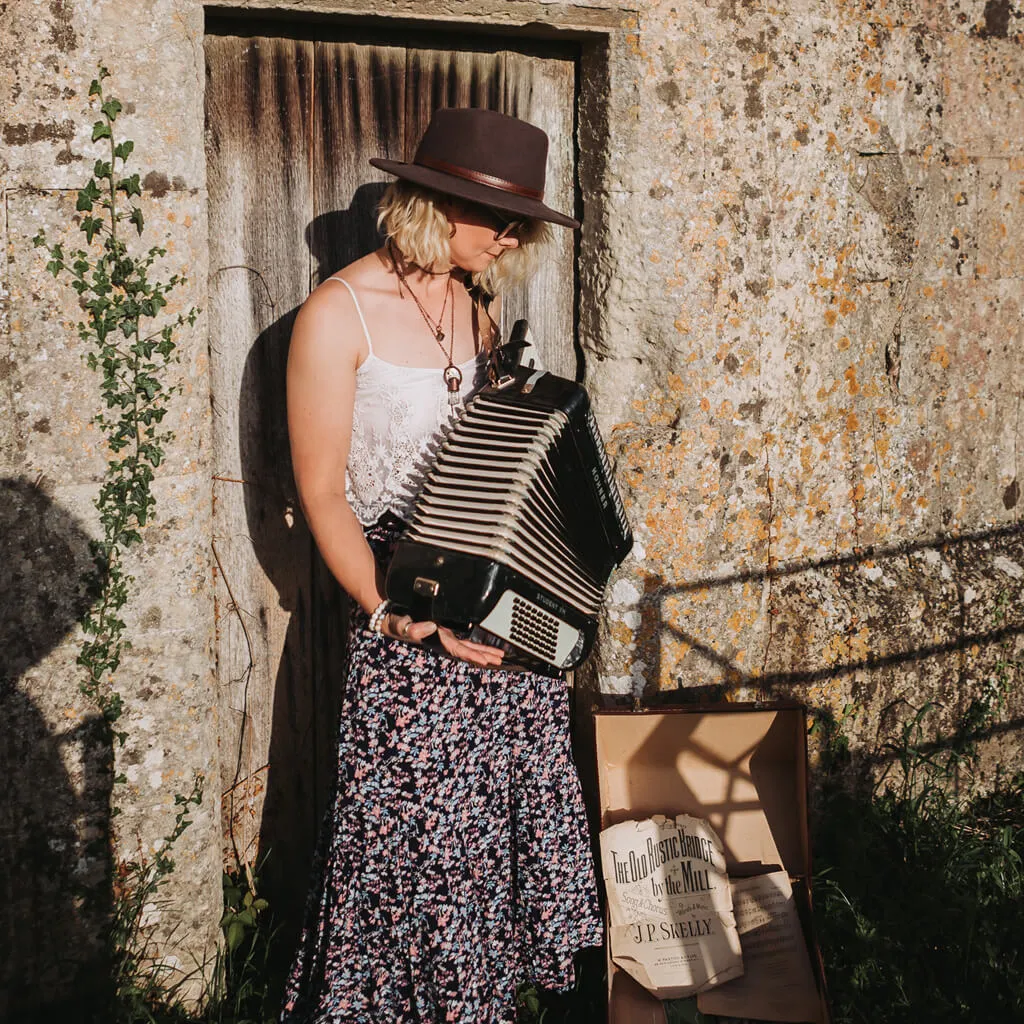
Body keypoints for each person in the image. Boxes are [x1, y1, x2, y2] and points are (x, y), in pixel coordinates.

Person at [279, 107, 603, 1024]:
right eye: (495, 221)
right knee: (420, 845)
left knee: (499, 831)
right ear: (433, 203)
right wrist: (387, 613)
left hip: (501, 617)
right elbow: (322, 495)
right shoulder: (337, 314)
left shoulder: (478, 304)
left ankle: (487, 1002)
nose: (509, 240)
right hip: (405, 610)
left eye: (520, 227)